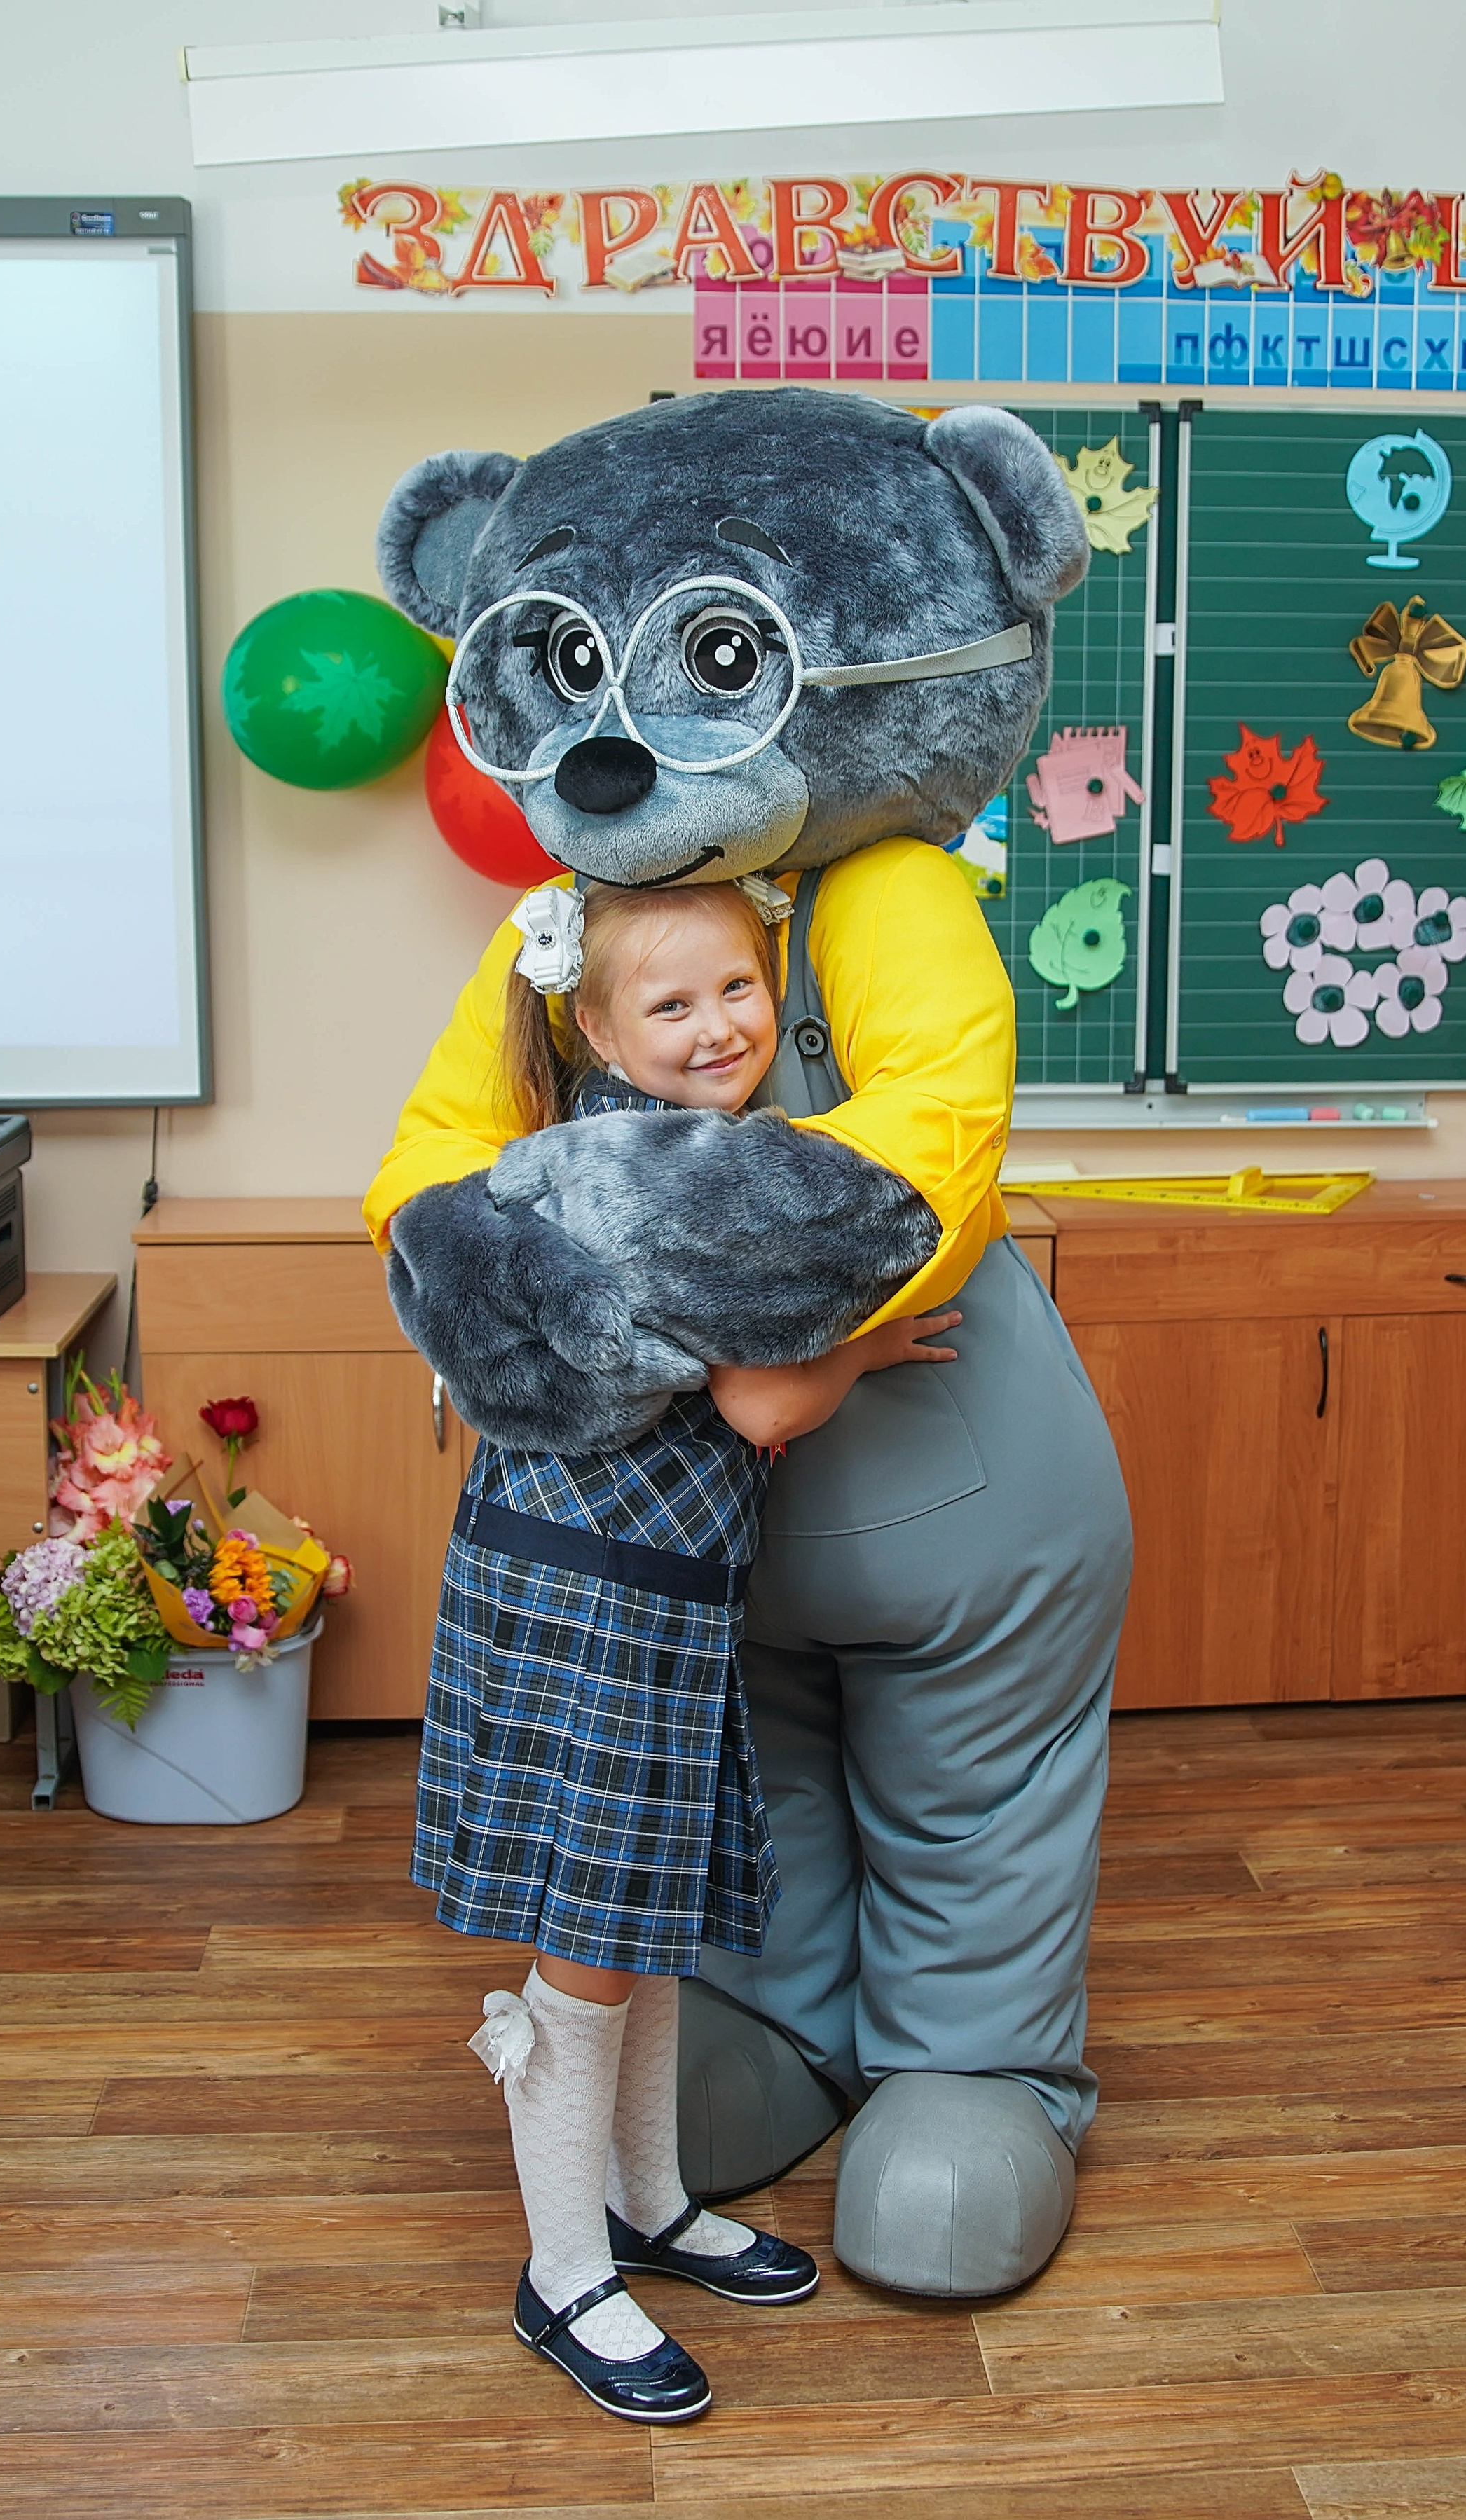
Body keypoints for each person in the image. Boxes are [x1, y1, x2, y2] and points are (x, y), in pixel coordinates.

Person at [416, 873, 961, 2424]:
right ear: (593, 1023)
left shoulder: (645, 1142)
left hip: (632, 1576)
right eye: (670, 1004)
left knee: (636, 1910)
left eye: (738, 988)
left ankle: (646, 2200)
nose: (717, 1025)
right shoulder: (670, 1171)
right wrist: (866, 1335)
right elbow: (764, 1406)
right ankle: (561, 2267)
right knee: (585, 1943)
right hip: (594, 1588)